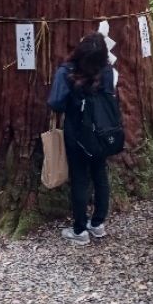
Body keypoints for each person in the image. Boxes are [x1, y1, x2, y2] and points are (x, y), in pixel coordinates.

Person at [48, 32, 117, 245]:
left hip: (77, 131)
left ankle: (79, 230)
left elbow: (56, 102)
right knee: (100, 174)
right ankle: (97, 224)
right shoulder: (107, 71)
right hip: (104, 131)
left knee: (79, 178)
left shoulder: (66, 71)